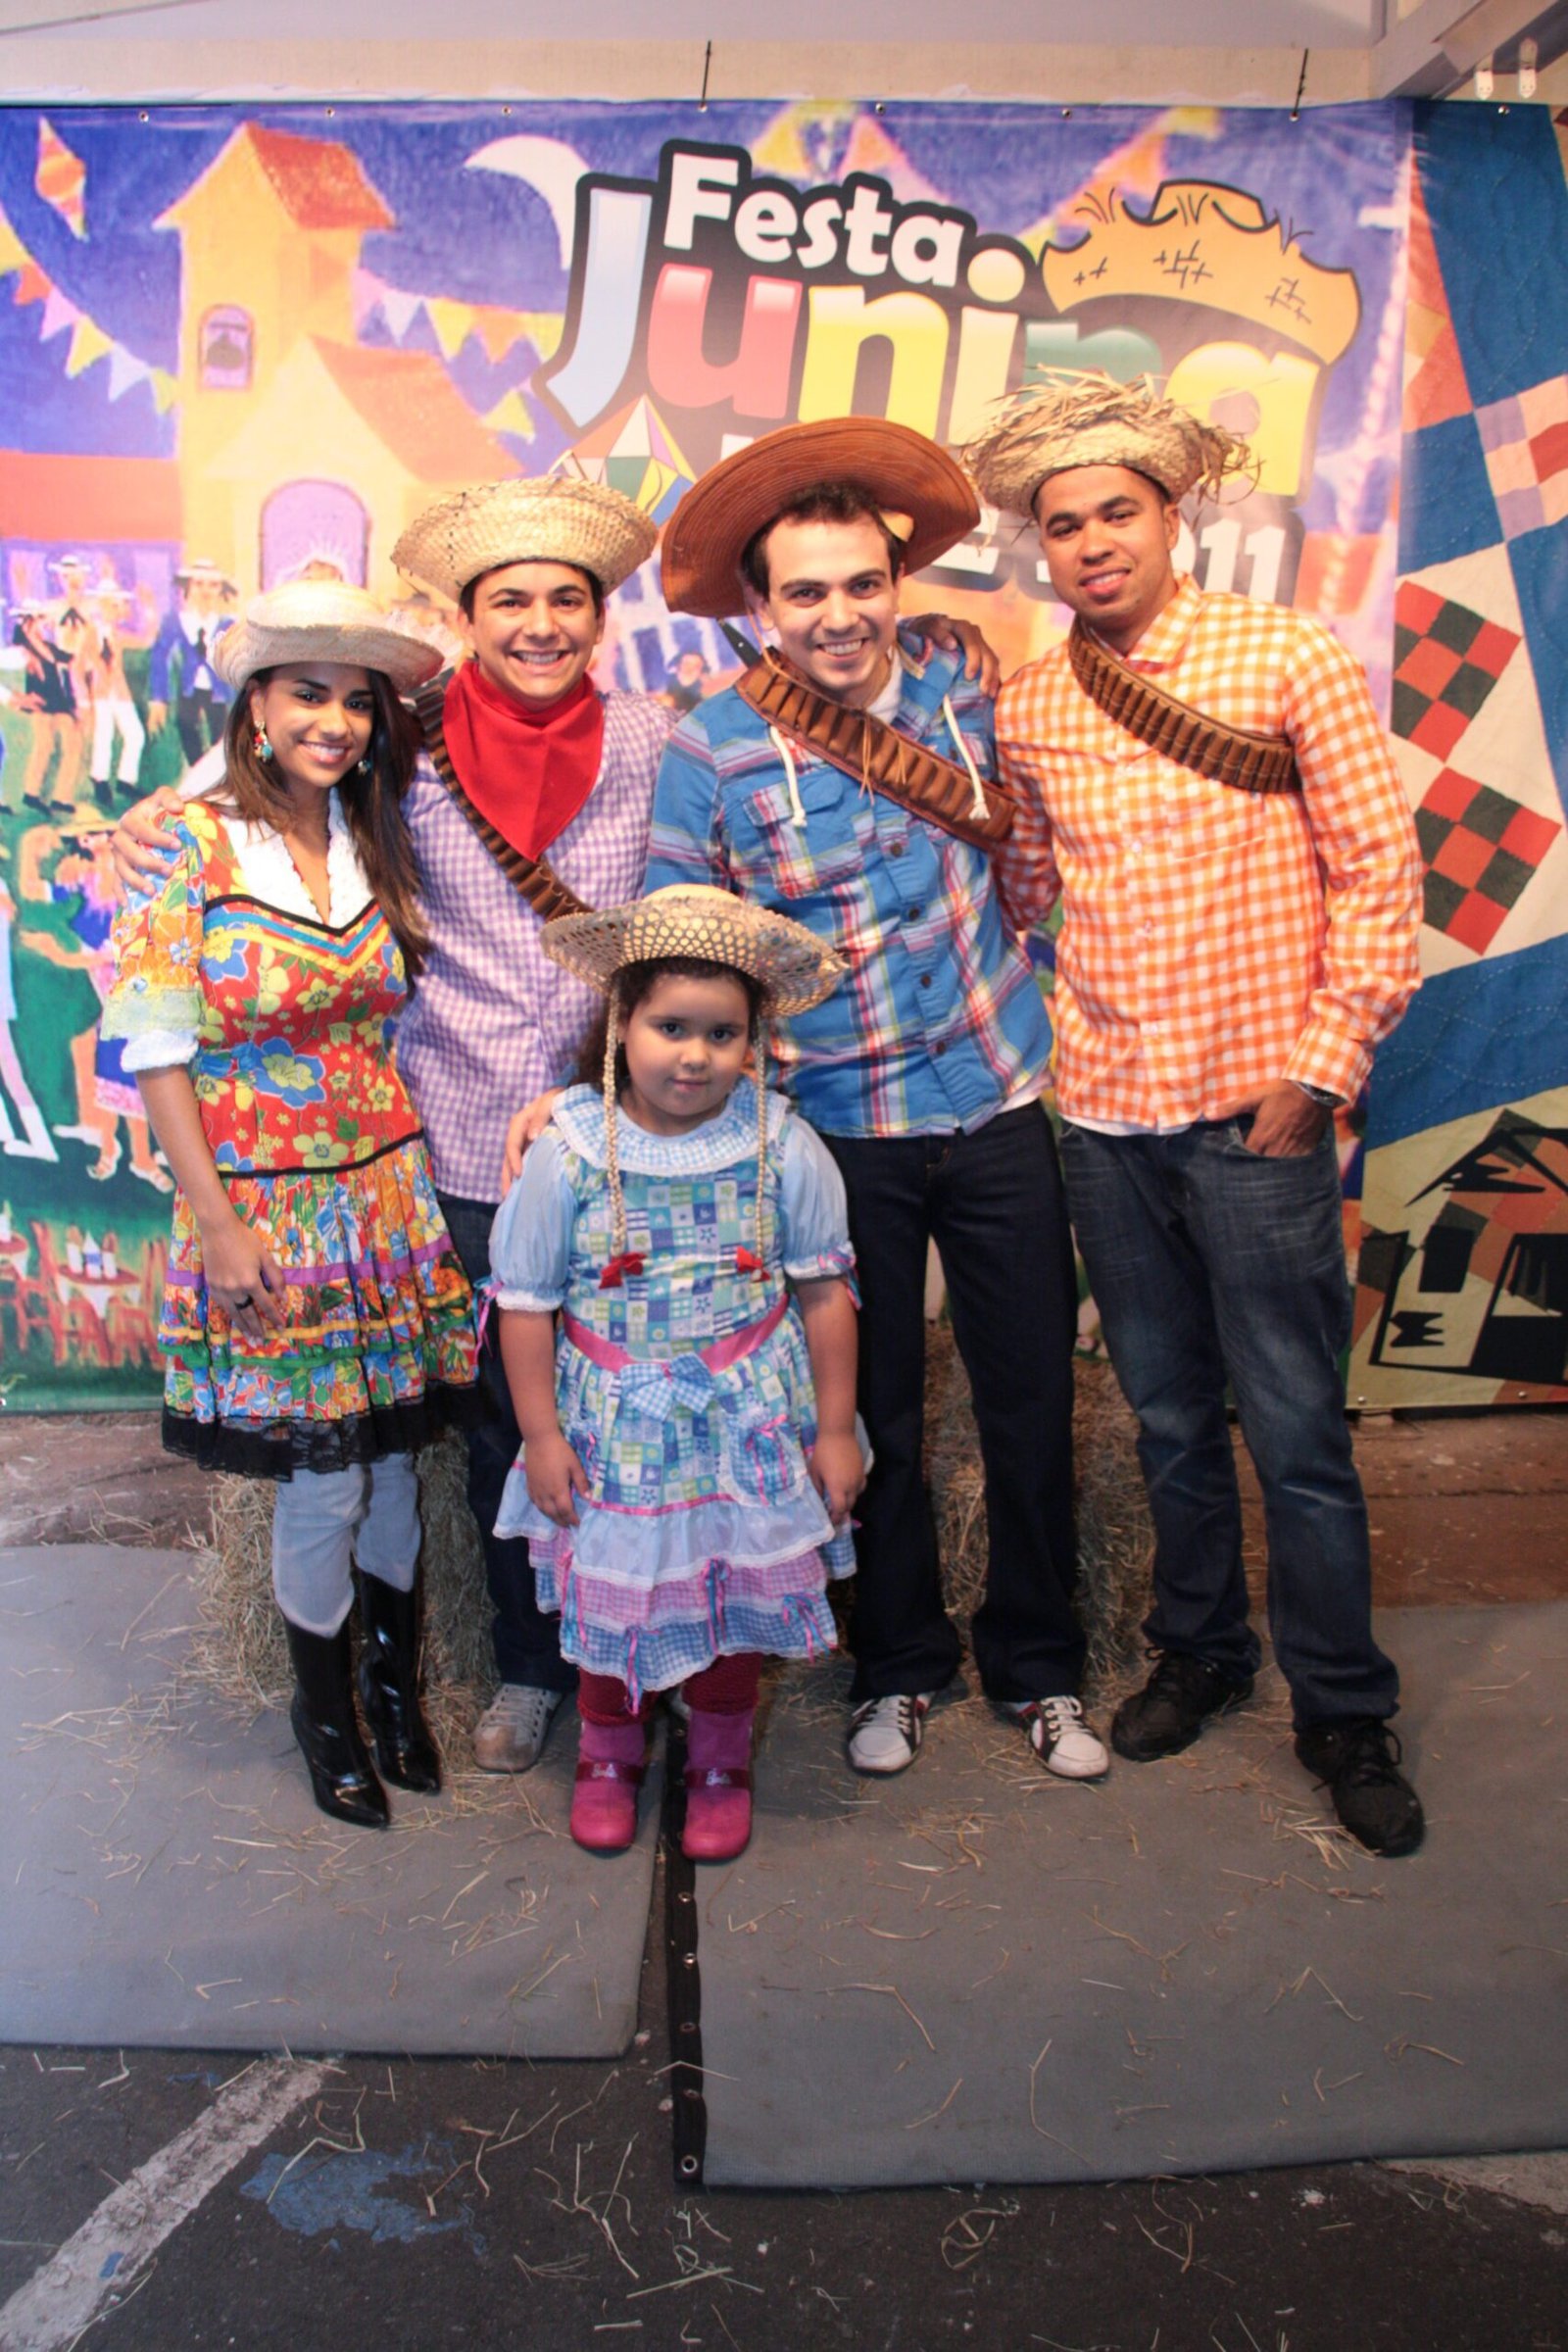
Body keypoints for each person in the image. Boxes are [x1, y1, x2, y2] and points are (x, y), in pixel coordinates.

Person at [113, 480, 670, 1780]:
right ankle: (437, 1695)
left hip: (524, 1158)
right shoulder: (383, 764)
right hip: (418, 1159)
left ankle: (591, 1667)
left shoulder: (632, 743)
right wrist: (145, 818)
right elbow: (156, 1033)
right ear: (466, 619)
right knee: (430, 1448)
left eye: (567, 598)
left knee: (586, 1419)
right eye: (510, 599)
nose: (540, 622)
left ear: (601, 616)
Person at [967, 373, 1426, 1857]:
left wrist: (1320, 1072)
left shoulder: (1286, 655)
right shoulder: (1032, 702)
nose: (1093, 542)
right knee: (1167, 1419)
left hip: (1254, 1112)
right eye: (1064, 525)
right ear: (1039, 547)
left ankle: (1342, 1708)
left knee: (1294, 1429)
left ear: (1174, 518)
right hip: (1105, 1118)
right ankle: (1203, 1651)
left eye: (1118, 512)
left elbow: (1381, 877)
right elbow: (1024, 888)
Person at [643, 417, 1104, 1784]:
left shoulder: (966, 681)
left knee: (1029, 1400)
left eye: (861, 584)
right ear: (759, 605)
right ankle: (896, 1666)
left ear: (898, 583)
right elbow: (679, 935)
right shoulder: (713, 749)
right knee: (870, 1416)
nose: (838, 616)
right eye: (805, 592)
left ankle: (1042, 1670)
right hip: (839, 1131)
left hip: (1001, 1097)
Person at [101, 581, 480, 1831]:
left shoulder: (375, 832)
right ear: (254, 707)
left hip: (385, 1196)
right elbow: (156, 1051)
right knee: (324, 1481)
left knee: (391, 1464)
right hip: (264, 1204)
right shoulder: (188, 845)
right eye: (307, 693)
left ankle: (395, 1694)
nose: (334, 721)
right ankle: (328, 1725)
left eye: (356, 701)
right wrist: (217, 1225)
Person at [492, 884, 861, 1860]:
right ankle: (608, 1748)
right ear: (622, 1022)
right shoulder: (571, 1151)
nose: (693, 1055)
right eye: (670, 1027)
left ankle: (721, 1753)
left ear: (753, 1041)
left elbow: (825, 1292)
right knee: (615, 1589)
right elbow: (524, 1304)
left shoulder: (781, 1144)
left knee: (732, 1594)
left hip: (746, 1423)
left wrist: (833, 1429)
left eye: (721, 1033)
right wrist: (541, 1435)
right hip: (614, 1427)